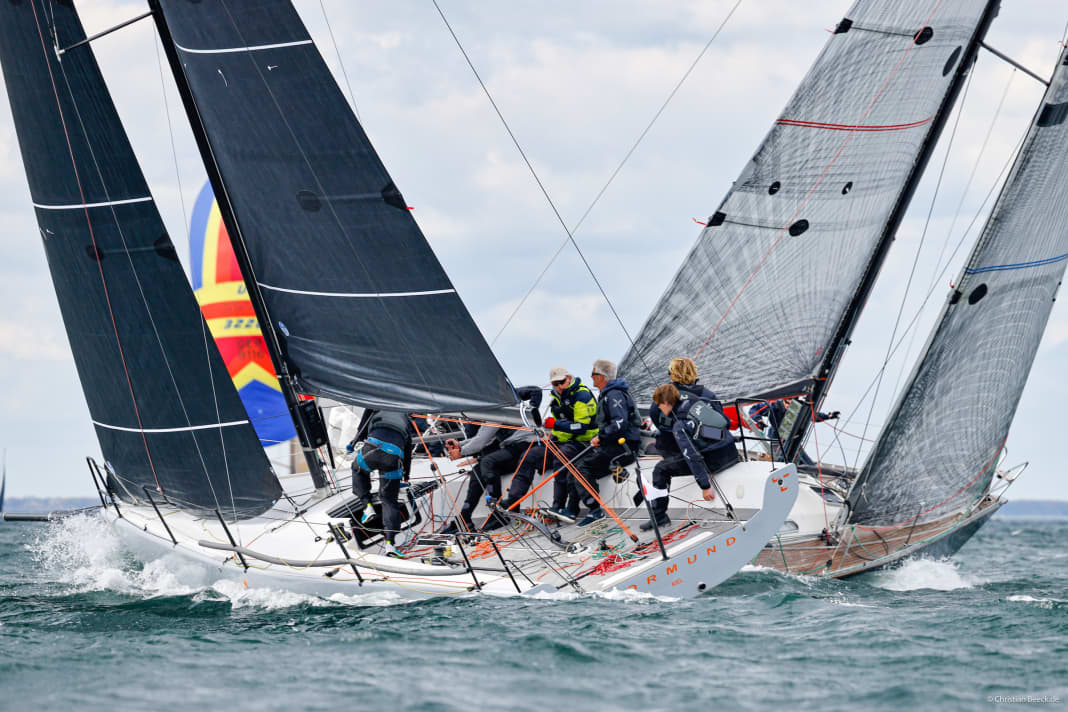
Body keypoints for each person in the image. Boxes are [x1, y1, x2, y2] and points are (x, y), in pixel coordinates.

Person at [438, 386, 544, 534]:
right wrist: (459, 445)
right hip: (514, 448)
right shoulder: (492, 412)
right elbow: (481, 438)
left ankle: (498, 513)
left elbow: (481, 441)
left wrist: (461, 452)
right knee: (479, 469)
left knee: (487, 462)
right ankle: (465, 519)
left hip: (525, 446)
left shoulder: (499, 410)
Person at [642, 382, 740, 531]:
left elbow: (692, 455)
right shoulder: (697, 403)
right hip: (732, 452)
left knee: (660, 469)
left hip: (715, 462)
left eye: (659, 405)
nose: (659, 409)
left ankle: (659, 517)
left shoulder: (679, 425)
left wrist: (705, 485)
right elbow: (724, 423)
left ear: (667, 403)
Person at [575, 359, 642, 526]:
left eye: (593, 374)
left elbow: (620, 423)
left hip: (624, 448)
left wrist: (601, 437)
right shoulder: (607, 394)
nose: (591, 377)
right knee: (575, 469)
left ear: (601, 377)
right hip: (614, 445)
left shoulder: (614, 395)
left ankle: (594, 511)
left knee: (581, 468)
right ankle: (572, 510)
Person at [348, 409, 414, 557]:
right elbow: (408, 453)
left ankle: (367, 507)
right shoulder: (406, 422)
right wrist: (406, 476)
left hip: (373, 448)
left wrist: (353, 443)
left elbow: (362, 429)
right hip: (394, 457)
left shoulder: (375, 405)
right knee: (389, 501)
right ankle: (390, 544)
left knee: (357, 469)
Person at [543, 366, 598, 524]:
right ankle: (559, 508)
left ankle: (563, 507)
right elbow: (561, 426)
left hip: (588, 440)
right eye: (556, 383)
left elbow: (581, 427)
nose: (560, 386)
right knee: (547, 455)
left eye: (562, 382)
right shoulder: (555, 399)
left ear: (568, 378)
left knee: (563, 460)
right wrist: (553, 436)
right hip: (570, 441)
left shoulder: (581, 395)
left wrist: (556, 425)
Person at [749, 399, 839, 464]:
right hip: (776, 439)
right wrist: (759, 421)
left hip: (792, 439)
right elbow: (753, 409)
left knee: (808, 464)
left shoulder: (798, 407)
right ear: (783, 400)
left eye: (791, 404)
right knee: (781, 461)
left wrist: (828, 416)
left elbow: (813, 415)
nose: (788, 406)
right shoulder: (774, 405)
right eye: (786, 403)